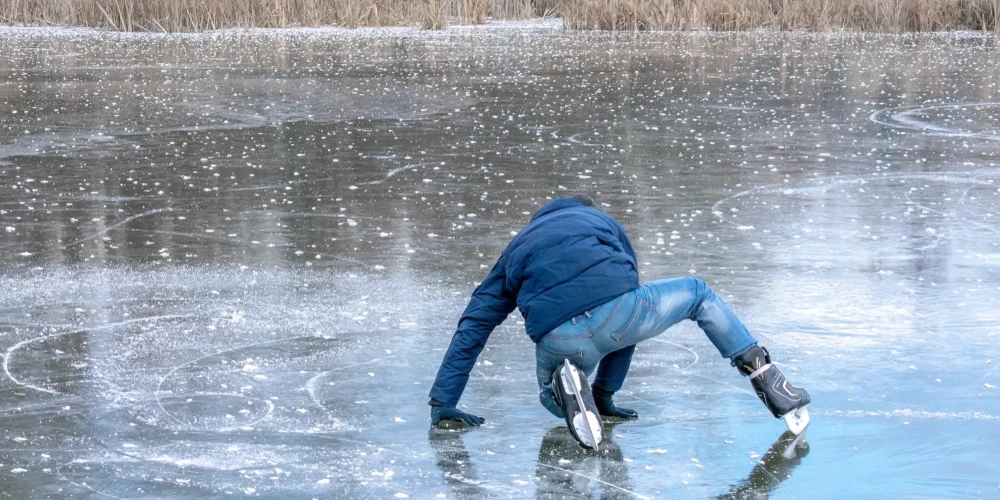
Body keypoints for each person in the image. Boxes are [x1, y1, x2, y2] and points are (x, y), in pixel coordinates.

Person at [427, 194, 810, 442]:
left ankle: (566, 391)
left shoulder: (517, 248)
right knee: (698, 294)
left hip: (559, 339)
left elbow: (475, 323)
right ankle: (765, 375)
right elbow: (628, 290)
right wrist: (607, 393)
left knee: (550, 389)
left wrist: (443, 400)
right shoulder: (602, 223)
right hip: (620, 315)